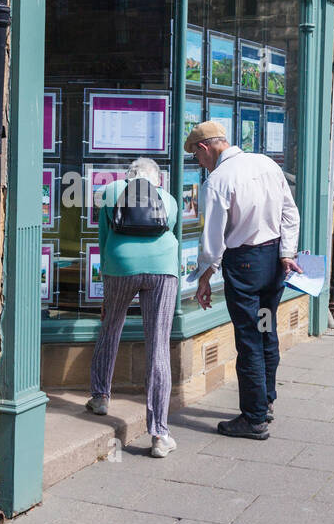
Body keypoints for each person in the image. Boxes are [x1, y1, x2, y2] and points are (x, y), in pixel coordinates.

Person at [184, 120, 302, 440]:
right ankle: (265, 401)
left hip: (246, 267)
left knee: (249, 338)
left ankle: (253, 418)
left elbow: (213, 242)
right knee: (266, 329)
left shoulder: (219, 180)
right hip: (274, 261)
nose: (199, 163)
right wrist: (287, 253)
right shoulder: (266, 163)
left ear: (204, 148)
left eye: (197, 157)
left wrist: (204, 277)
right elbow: (290, 214)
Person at [86, 157, 179, 458]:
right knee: (158, 345)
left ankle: (100, 397)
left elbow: (102, 236)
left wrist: (108, 274)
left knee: (110, 326)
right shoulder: (169, 199)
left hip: (119, 265)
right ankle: (160, 435)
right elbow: (170, 231)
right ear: (157, 180)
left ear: (129, 176)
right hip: (163, 269)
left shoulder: (112, 190)